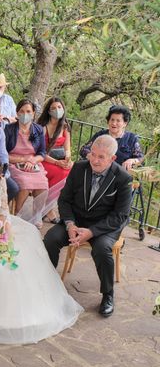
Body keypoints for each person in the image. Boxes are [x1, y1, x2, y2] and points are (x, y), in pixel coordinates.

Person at [0, 146, 83, 343]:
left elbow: (4, 212)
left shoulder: (1, 183)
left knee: (23, 254)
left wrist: (7, 236)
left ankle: (32, 311)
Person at [44, 135, 133, 317]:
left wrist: (92, 232)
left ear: (112, 158)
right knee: (51, 238)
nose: (94, 160)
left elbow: (120, 216)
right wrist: (70, 224)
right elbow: (65, 200)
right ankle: (48, 283)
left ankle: (108, 294)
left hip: (104, 227)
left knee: (101, 250)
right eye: (93, 154)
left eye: (101, 157)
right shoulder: (79, 168)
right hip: (75, 221)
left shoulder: (123, 178)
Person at [5, 99, 48, 215]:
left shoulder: (39, 130)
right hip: (13, 162)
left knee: (43, 184)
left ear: (33, 113)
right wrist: (24, 160)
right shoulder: (9, 129)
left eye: (28, 111)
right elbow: (3, 154)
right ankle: (16, 214)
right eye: (22, 111)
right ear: (17, 113)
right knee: (24, 183)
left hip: (33, 163)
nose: (25, 114)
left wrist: (33, 160)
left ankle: (37, 216)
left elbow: (42, 153)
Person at [38, 97, 73, 222]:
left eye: (59, 107)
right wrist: (57, 162)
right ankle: (48, 209)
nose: (57, 110)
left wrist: (67, 160)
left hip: (59, 161)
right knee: (61, 172)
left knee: (69, 171)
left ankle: (47, 207)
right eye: (53, 108)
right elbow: (40, 152)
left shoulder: (65, 127)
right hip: (44, 160)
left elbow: (67, 149)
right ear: (48, 111)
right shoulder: (43, 127)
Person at [79, 105, 143, 171]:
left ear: (125, 123)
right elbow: (83, 149)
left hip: (119, 176)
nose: (114, 123)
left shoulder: (131, 139)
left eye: (118, 121)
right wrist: (92, 156)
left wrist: (132, 160)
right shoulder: (101, 135)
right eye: (112, 120)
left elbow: (141, 158)